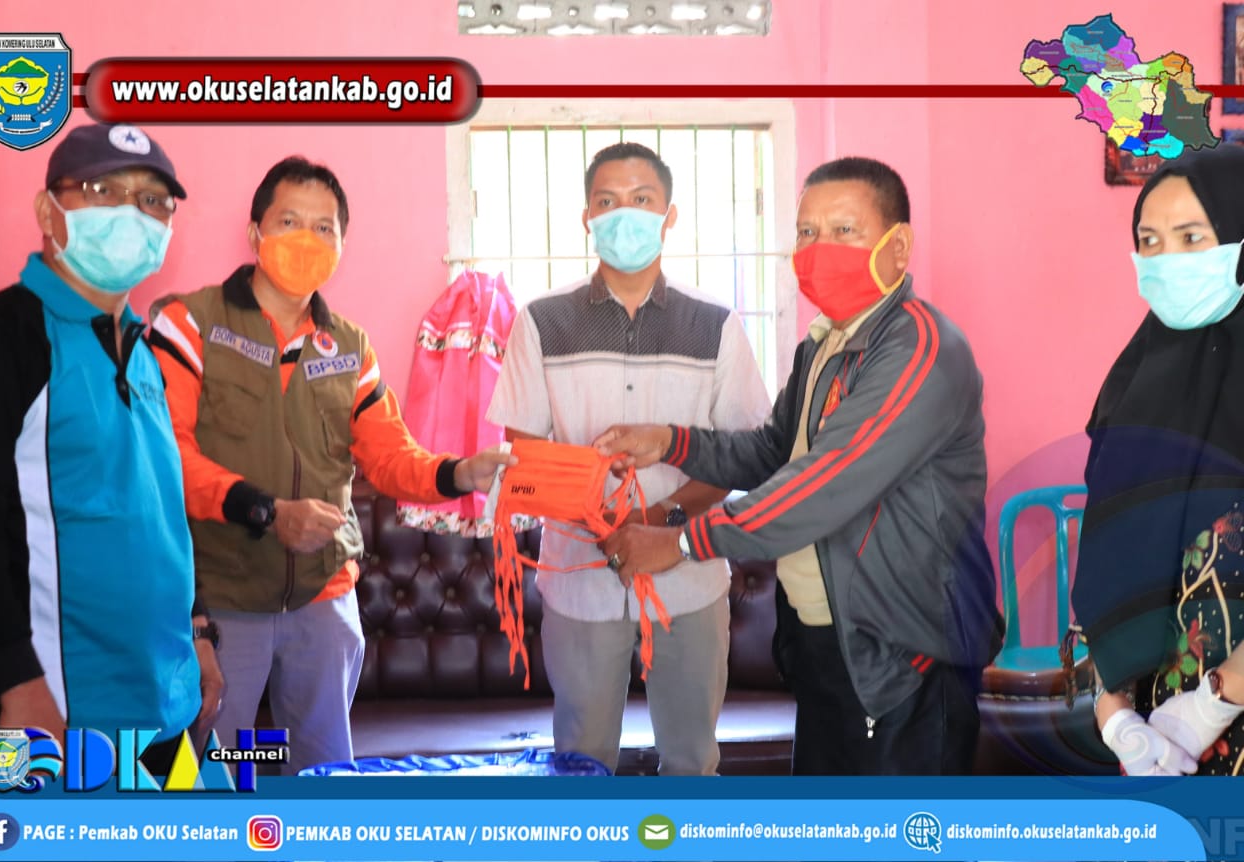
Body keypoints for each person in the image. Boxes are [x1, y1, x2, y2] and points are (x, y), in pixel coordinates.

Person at [595, 156, 1005, 776]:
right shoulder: (823, 345)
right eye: (807, 232)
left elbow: (823, 484)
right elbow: (772, 451)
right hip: (825, 645)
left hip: (903, 658)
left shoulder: (919, 349)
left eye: (844, 230)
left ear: (898, 248)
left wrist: (679, 541)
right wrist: (671, 442)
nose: (819, 249)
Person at [149, 156, 511, 774]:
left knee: (323, 776)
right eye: (289, 221)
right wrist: (267, 512)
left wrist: (459, 472)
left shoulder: (349, 345)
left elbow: (391, 457)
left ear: (342, 244)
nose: (306, 240)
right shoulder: (190, 324)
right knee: (213, 773)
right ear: (255, 233)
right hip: (222, 600)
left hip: (324, 599)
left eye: (325, 228)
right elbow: (166, 458)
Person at [486, 142, 772, 775]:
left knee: (692, 761)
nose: (625, 215)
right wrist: (597, 511)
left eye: (642, 200)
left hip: (690, 575)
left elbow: (742, 453)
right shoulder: (541, 322)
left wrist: (659, 522)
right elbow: (526, 455)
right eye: (608, 202)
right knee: (582, 763)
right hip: (579, 579)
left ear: (669, 216)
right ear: (586, 218)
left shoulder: (716, 324)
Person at [0, 123, 222, 775]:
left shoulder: (146, 349)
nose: (132, 213)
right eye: (104, 191)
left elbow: (162, 510)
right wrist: (15, 679)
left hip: (169, 706)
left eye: (153, 200)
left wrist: (198, 631)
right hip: (53, 715)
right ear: (48, 210)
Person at [1074, 145, 1244, 777]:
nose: (1167, 259)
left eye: (1193, 237)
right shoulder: (1132, 388)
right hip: (1150, 744)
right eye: (1150, 240)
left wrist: (1211, 704)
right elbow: (1102, 565)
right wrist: (1114, 716)